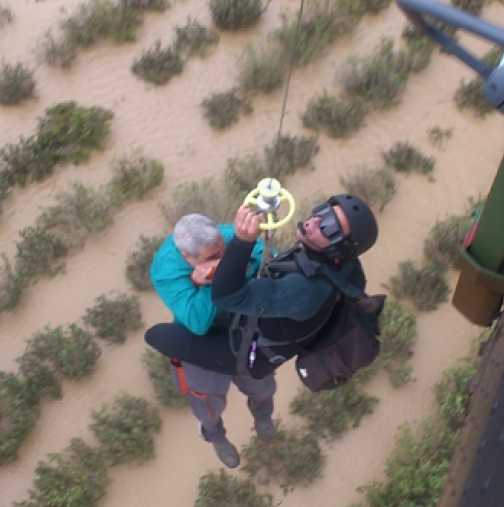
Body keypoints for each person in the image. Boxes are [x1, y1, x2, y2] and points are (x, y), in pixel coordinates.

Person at [145, 214, 276, 469]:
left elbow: (266, 256)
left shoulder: (227, 236)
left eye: (222, 251)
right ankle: (216, 436)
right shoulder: (166, 271)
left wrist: (241, 251)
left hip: (241, 327)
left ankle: (263, 416)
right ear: (187, 257)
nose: (220, 258)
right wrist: (208, 285)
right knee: (206, 403)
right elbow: (198, 321)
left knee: (262, 384)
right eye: (211, 258)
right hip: (198, 341)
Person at [210, 194, 379, 380]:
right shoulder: (341, 265)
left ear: (338, 250)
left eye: (329, 227)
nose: (312, 222)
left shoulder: (305, 289)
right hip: (251, 322)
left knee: (173, 339)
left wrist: (242, 241)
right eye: (323, 212)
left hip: (242, 353)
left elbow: (225, 296)